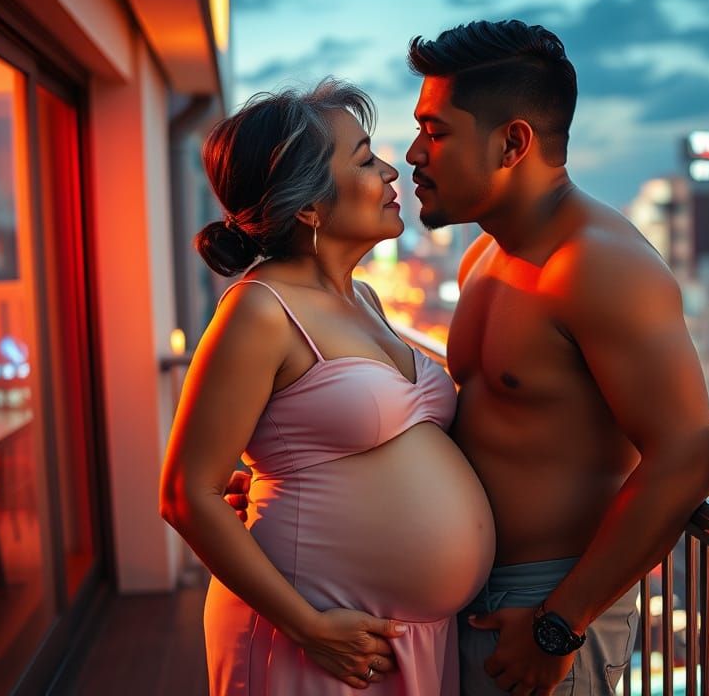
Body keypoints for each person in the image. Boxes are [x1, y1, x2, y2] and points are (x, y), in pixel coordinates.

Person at [401, 19, 709, 695]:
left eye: (436, 132)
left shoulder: (599, 267)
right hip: (470, 600)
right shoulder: (482, 258)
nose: (413, 153)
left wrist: (561, 622)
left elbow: (687, 458)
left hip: (543, 610)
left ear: (512, 142)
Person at [159, 79, 496, 695]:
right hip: (315, 639)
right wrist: (307, 626)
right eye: (365, 159)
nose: (391, 171)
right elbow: (186, 493)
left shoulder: (363, 297)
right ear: (309, 206)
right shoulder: (260, 310)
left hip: (404, 637)